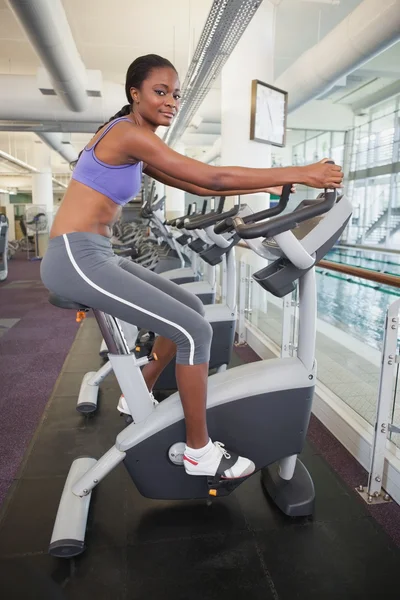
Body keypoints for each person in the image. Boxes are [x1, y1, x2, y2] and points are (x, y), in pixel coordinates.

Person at [41, 54, 343, 481]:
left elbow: (197, 183)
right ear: (135, 93)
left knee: (189, 307)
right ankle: (199, 452)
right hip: (75, 256)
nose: (170, 101)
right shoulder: (128, 133)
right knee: (195, 332)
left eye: (175, 94)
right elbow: (213, 178)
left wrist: (275, 184)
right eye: (160, 91)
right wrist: (304, 172)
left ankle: (142, 385)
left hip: (94, 253)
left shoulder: (138, 138)